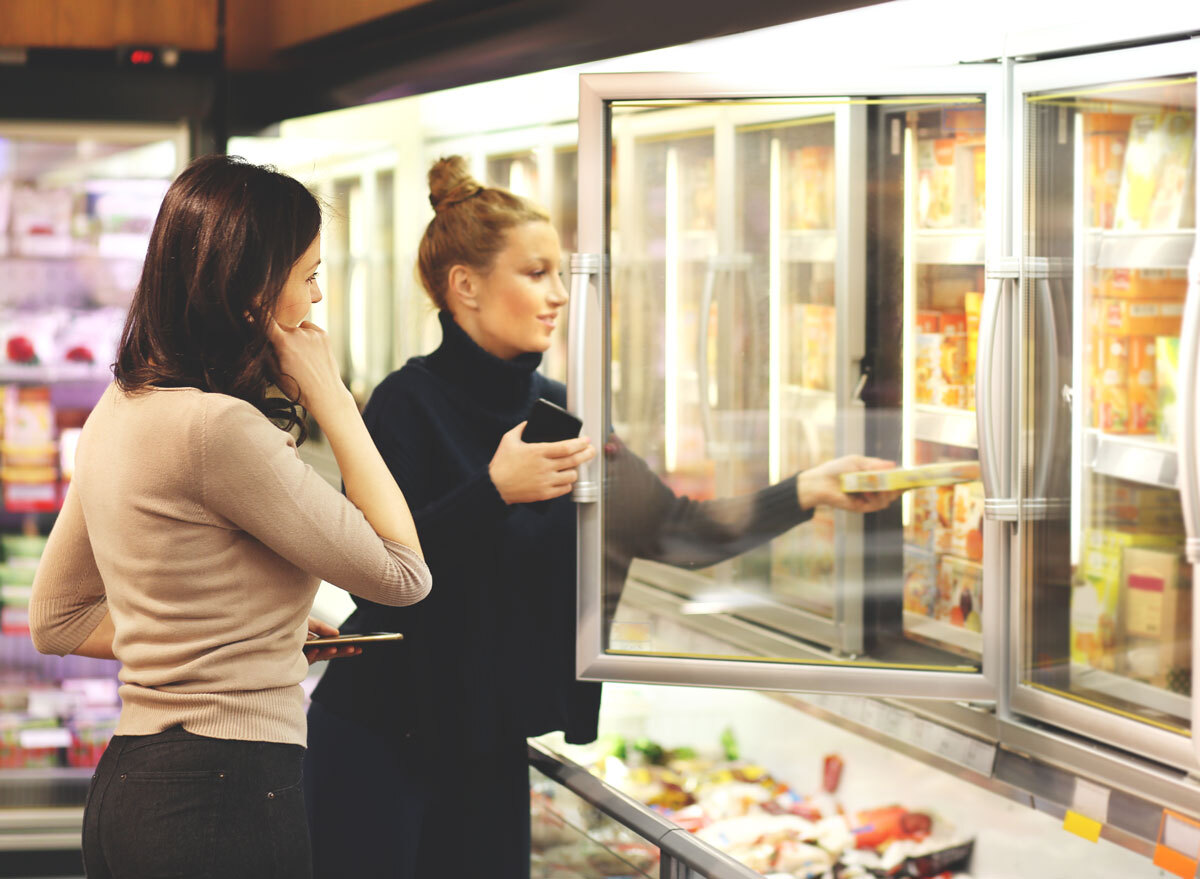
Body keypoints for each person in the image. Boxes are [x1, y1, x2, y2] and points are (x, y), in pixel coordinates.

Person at [304, 155, 897, 878]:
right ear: (465, 286)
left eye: (562, 274)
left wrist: (810, 489)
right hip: (380, 742)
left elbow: (676, 529)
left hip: (488, 744)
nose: (558, 294)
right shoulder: (407, 403)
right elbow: (369, 573)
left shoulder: (559, 410)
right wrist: (493, 490)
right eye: (536, 272)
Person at [28, 154, 432, 879]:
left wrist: (242, 636)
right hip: (222, 795)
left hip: (131, 789)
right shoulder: (219, 431)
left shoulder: (121, 406)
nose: (316, 297)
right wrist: (332, 397)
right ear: (251, 290)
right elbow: (402, 573)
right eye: (308, 275)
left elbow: (56, 616)